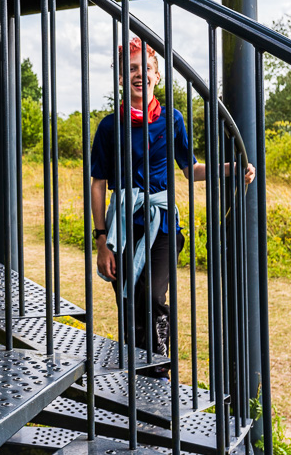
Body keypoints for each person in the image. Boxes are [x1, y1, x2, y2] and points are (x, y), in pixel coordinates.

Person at [90, 37, 255, 378]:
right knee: (129, 302)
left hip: (163, 225)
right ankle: (134, 378)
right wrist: (101, 240)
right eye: (131, 69)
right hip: (123, 229)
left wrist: (230, 169)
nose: (139, 74)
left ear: (157, 75)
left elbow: (190, 169)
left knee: (150, 295)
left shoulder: (173, 120)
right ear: (121, 77)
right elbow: (98, 184)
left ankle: (160, 368)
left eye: (145, 68)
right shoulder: (109, 127)